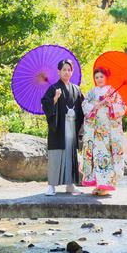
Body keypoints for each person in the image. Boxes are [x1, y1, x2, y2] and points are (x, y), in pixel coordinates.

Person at [40, 59, 85, 196]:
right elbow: (45, 105)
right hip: (59, 128)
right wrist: (55, 98)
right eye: (64, 69)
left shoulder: (76, 89)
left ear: (72, 72)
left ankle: (70, 185)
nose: (66, 72)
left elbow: (84, 107)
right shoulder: (53, 88)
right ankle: (51, 186)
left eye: (69, 70)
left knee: (71, 155)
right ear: (58, 71)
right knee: (56, 155)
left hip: (72, 126)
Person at [81, 67, 127, 196]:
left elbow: (122, 107)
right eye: (96, 77)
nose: (99, 79)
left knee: (106, 156)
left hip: (108, 131)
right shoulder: (91, 92)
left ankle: (106, 186)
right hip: (95, 129)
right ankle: (98, 185)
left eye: (101, 76)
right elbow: (84, 105)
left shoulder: (113, 92)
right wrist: (96, 105)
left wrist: (110, 105)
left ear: (106, 77)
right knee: (95, 155)